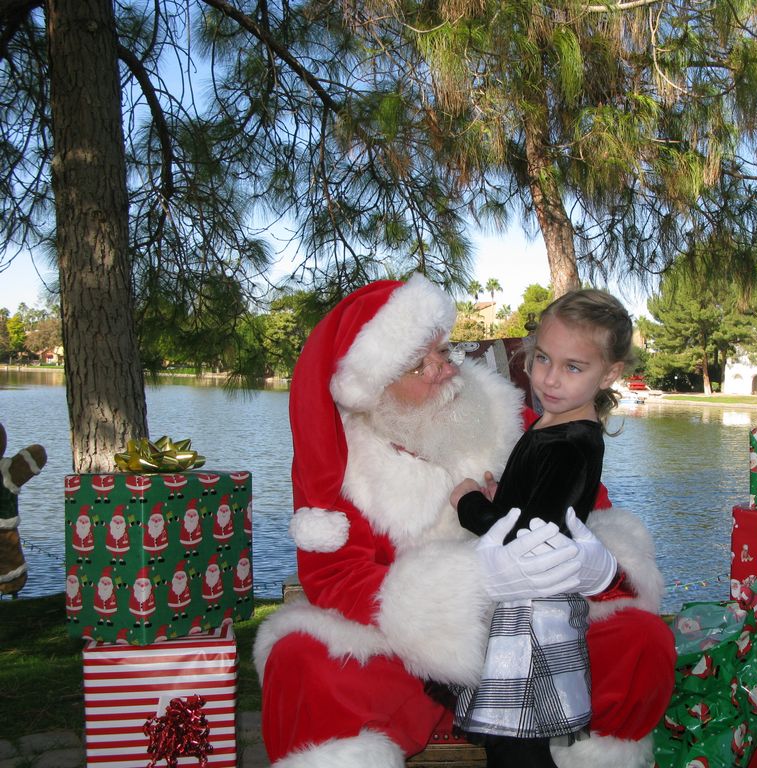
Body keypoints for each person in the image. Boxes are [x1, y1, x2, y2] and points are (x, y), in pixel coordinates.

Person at [255, 274, 675, 768]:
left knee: (642, 642)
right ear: (376, 387)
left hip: (537, 634)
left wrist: (602, 570)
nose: (444, 370)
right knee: (301, 663)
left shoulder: (503, 411)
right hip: (407, 654)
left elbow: (588, 511)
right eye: (418, 364)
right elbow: (336, 577)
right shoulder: (344, 467)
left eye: (443, 351)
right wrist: (466, 597)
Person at [449, 289, 631, 766]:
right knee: (512, 746)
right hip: (523, 604)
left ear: (609, 373)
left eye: (574, 367)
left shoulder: (571, 444)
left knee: (518, 748)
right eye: (543, 358)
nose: (549, 378)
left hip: (532, 617)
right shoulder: (554, 426)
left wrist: (469, 505)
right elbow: (536, 508)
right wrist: (503, 495)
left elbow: (532, 539)